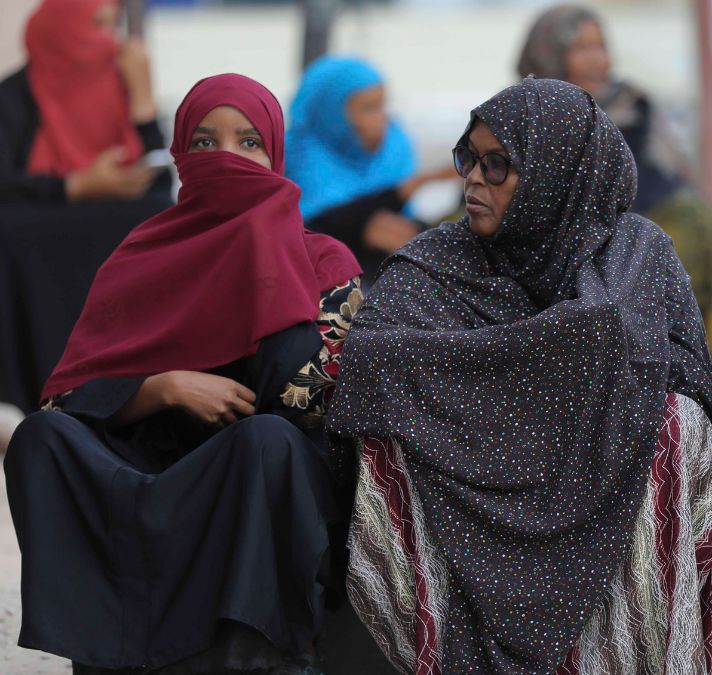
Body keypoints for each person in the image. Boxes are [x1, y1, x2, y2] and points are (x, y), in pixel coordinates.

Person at [326, 77, 712, 674]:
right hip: (466, 523)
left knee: (673, 425)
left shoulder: (634, 251)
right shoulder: (436, 264)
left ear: (555, 172)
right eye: (468, 158)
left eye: (498, 164)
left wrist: (483, 379)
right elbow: (372, 360)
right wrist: (542, 373)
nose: (474, 179)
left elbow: (614, 339)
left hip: (617, 509)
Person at [4, 73, 363, 674]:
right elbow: (65, 403)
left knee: (264, 441)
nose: (226, 159)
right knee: (42, 442)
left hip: (266, 475)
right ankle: (105, 648)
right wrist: (160, 388)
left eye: (248, 144)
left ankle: (254, 654)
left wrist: (264, 252)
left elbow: (305, 402)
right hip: (157, 460)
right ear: (178, 156)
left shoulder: (322, 258)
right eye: (205, 143)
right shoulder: (144, 252)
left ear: (274, 156)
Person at [516, 5, 712, 400]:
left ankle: (691, 394)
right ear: (549, 52)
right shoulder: (525, 112)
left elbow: (664, 176)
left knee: (688, 228)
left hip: (639, 230)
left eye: (601, 46)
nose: (598, 58)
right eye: (581, 48)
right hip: (559, 250)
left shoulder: (632, 105)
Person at [0, 0, 173, 413]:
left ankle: (134, 389)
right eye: (96, 26)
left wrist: (144, 101)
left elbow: (160, 179)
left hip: (109, 222)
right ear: (59, 27)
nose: (110, 42)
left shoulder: (121, 86)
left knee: (157, 217)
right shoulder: (13, 96)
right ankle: (16, 397)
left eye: (112, 28)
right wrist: (76, 186)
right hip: (37, 228)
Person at [286, 54, 456, 280]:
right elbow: (312, 228)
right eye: (368, 108)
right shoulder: (298, 157)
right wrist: (362, 228)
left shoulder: (394, 147)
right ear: (331, 115)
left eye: (381, 105)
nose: (381, 120)